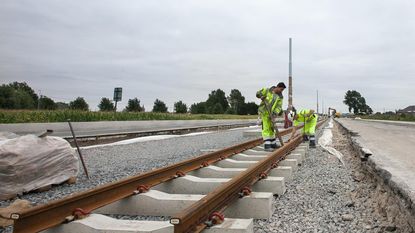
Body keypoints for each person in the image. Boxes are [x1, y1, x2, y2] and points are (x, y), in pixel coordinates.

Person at [256, 82, 286, 151]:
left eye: (282, 90)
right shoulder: (267, 90)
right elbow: (258, 93)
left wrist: (274, 114)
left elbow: (279, 107)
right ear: (277, 87)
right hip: (264, 112)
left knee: (272, 128)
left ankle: (273, 143)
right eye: (281, 89)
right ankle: (267, 145)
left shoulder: (280, 97)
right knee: (266, 128)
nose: (281, 91)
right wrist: (261, 96)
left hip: (271, 114)